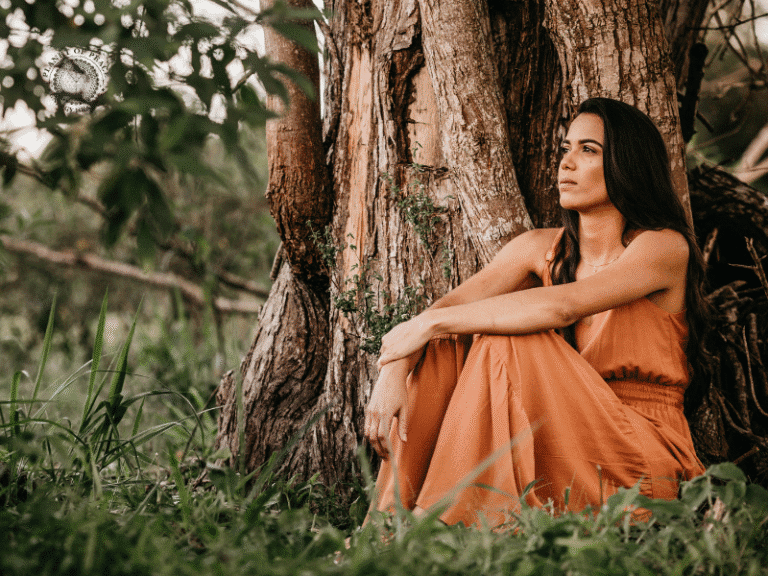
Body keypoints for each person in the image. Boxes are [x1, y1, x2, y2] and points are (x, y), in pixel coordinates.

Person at [363, 97, 708, 528]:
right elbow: (448, 309)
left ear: (628, 164)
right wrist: (396, 367)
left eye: (588, 150)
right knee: (446, 341)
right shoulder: (538, 247)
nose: (566, 163)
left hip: (637, 454)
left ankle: (440, 525)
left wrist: (427, 324)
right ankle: (389, 525)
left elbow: (563, 306)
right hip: (561, 434)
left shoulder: (662, 246)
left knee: (503, 338)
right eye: (565, 148)